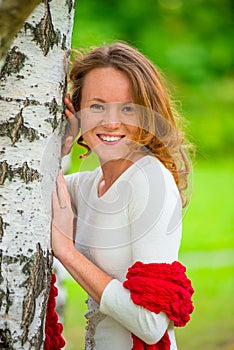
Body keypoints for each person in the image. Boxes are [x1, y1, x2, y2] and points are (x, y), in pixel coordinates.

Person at [51, 42, 194, 350]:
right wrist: (57, 147)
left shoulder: (149, 182)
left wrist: (66, 251)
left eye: (128, 108)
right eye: (97, 106)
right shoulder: (89, 186)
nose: (111, 122)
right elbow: (27, 194)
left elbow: (152, 324)